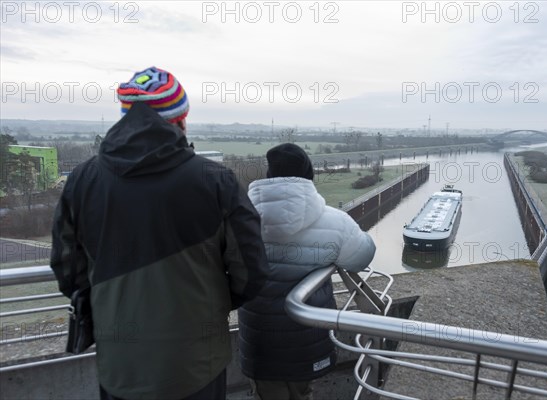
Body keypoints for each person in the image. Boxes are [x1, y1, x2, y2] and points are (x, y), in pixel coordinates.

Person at [50, 66, 270, 400]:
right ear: (179, 121)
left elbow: (68, 270)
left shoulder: (82, 180)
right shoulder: (215, 181)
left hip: (120, 363)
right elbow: (251, 272)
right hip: (196, 365)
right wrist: (208, 302)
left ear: (124, 118)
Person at [238, 143, 376, 400]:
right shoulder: (335, 221)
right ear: (308, 175)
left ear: (268, 176)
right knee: (304, 392)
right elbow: (362, 257)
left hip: (260, 340)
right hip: (309, 334)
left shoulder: (240, 219)